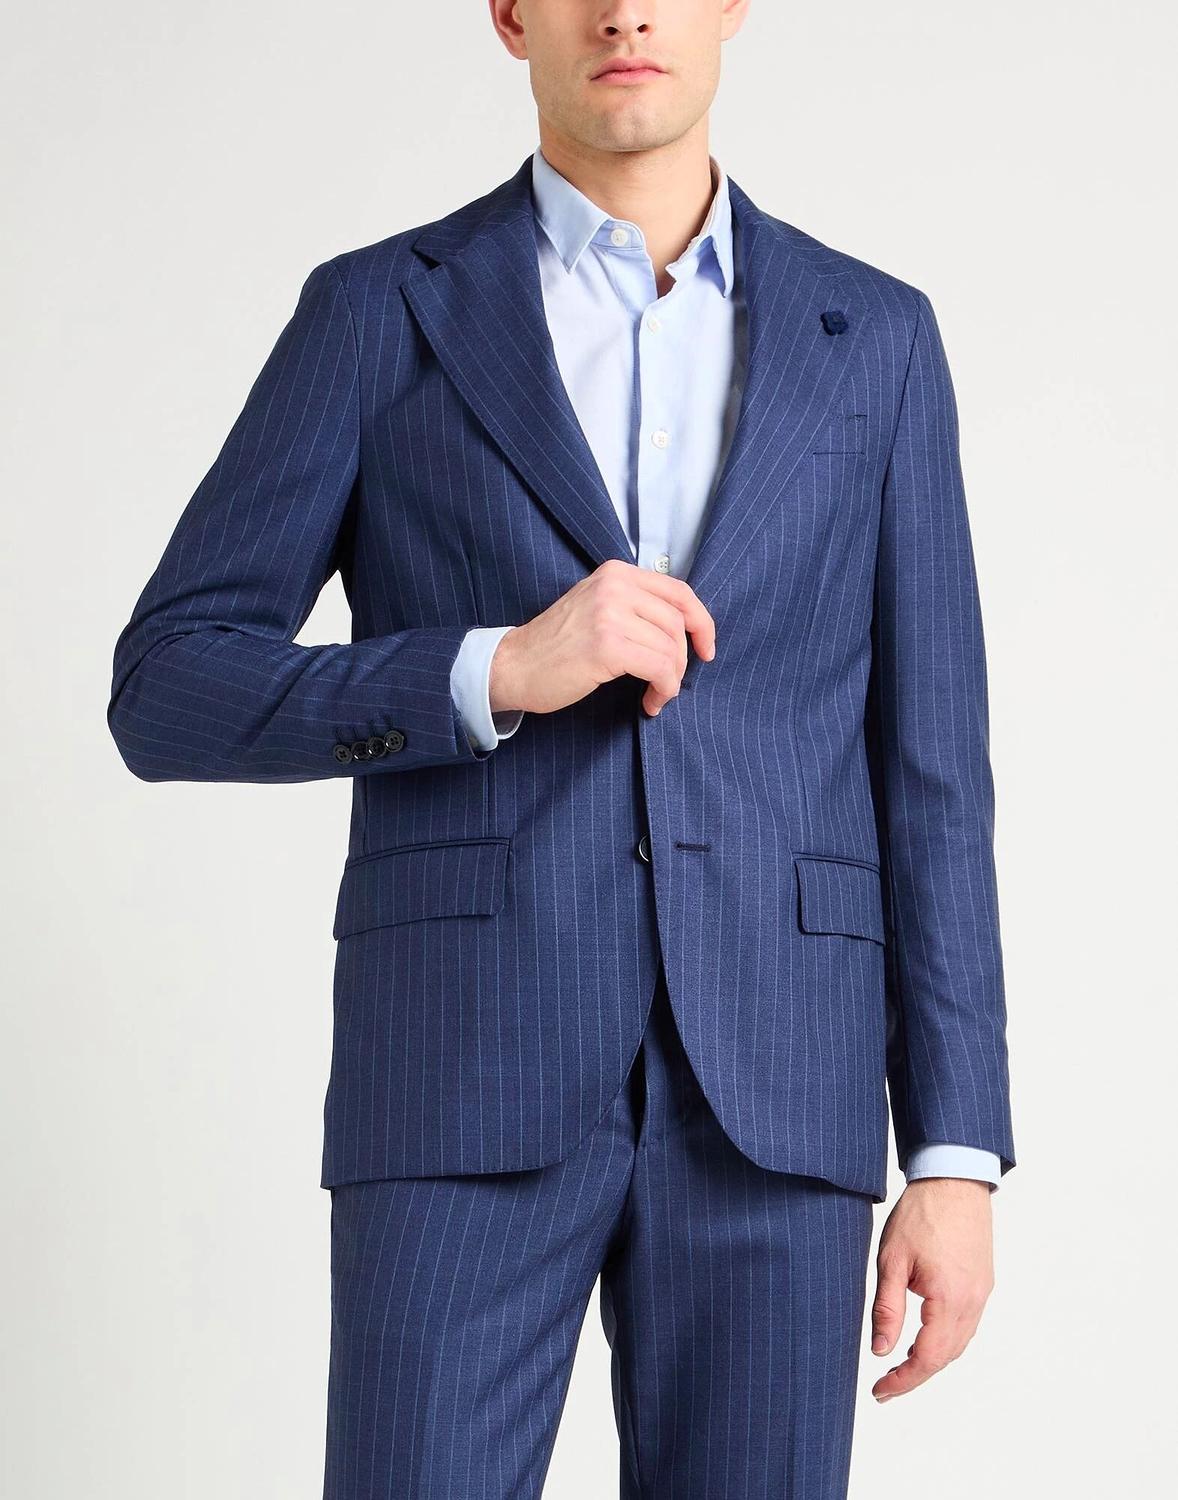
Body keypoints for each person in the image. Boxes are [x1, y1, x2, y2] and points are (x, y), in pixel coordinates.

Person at [107, 2, 1016, 1495]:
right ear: (510, 15)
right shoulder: (380, 310)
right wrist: (496, 669)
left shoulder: (876, 336)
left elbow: (933, 773)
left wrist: (955, 1153)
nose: (627, 11)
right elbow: (167, 684)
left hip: (779, 1085)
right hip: (458, 1068)